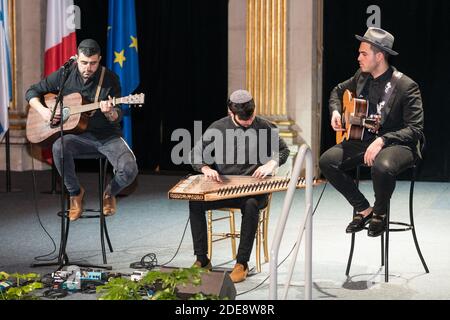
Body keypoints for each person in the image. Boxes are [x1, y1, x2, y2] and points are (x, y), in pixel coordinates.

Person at [319, 27, 424, 237]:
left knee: (381, 165)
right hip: (365, 138)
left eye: (363, 53)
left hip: (400, 145)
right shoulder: (361, 77)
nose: (358, 57)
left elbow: (415, 129)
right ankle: (364, 209)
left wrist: (383, 140)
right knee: (326, 161)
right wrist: (336, 112)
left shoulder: (406, 85)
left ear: (379, 55)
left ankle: (381, 213)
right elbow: (337, 91)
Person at [25, 39, 138, 221]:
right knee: (59, 147)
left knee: (129, 169)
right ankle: (75, 193)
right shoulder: (65, 74)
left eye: (93, 63)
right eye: (84, 63)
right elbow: (31, 92)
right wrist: (44, 111)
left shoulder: (109, 79)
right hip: (76, 136)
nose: (88, 68)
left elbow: (118, 115)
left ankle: (109, 193)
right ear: (77, 58)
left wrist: (110, 113)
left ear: (99, 59)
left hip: (106, 136)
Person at [188, 89, 290, 283]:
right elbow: (195, 153)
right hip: (225, 187)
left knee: (251, 205)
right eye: (244, 119)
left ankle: (242, 263)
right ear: (230, 112)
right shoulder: (218, 128)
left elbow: (283, 150)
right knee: (195, 202)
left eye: (251, 117)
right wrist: (205, 168)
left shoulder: (265, 127)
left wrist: (272, 164)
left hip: (253, 189)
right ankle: (202, 259)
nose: (249, 122)